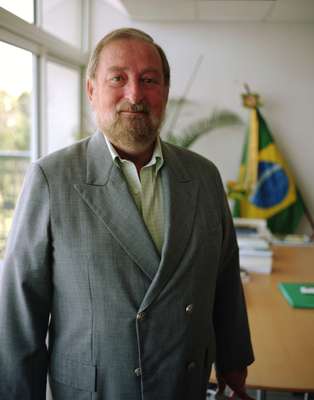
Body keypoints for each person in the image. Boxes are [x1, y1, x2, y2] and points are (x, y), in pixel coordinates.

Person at [0, 28, 254, 400]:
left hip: (184, 384)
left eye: (149, 80)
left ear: (165, 92)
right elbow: (21, 310)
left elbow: (226, 278)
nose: (134, 94)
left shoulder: (203, 176)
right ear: (92, 90)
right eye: (118, 78)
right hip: (96, 390)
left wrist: (234, 365)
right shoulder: (52, 179)